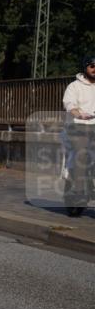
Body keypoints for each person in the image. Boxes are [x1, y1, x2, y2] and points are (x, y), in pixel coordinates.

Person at [62, 54, 95, 217]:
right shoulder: (74, 86)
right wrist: (78, 114)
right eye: (92, 66)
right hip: (78, 127)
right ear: (86, 68)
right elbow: (69, 104)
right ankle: (78, 191)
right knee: (81, 156)